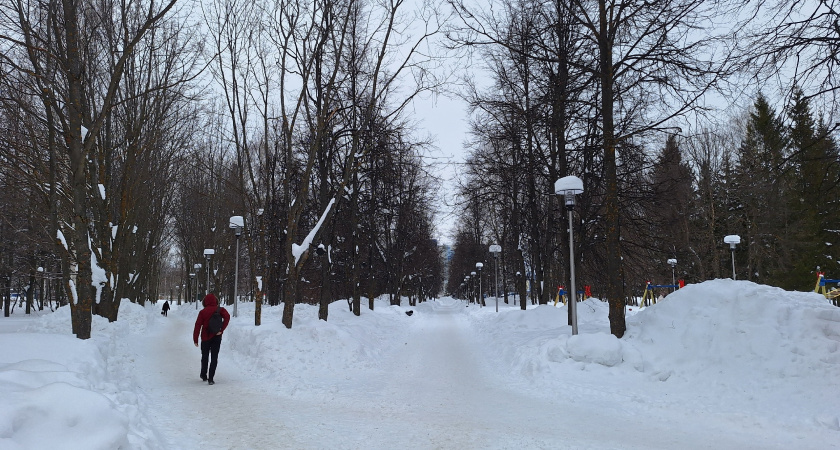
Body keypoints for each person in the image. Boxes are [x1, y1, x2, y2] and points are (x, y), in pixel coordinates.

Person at [193, 293, 230, 385]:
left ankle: (203, 374)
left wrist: (195, 339)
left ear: (205, 302)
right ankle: (211, 378)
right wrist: (222, 330)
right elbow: (227, 317)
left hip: (205, 337)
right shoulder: (220, 310)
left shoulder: (203, 312)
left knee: (205, 356)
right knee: (214, 357)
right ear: (215, 301)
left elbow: (197, 325)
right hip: (217, 336)